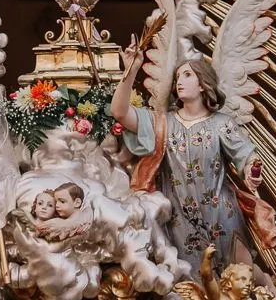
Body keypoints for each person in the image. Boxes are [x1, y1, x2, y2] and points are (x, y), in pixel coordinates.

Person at [110, 36, 267, 286]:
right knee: (190, 283)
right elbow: (119, 112)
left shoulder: (221, 124)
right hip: (179, 219)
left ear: (203, 84)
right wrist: (131, 70)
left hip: (222, 215)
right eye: (178, 77)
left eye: (187, 75)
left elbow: (246, 154)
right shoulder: (162, 122)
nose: (179, 82)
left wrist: (252, 169)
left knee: (240, 277)